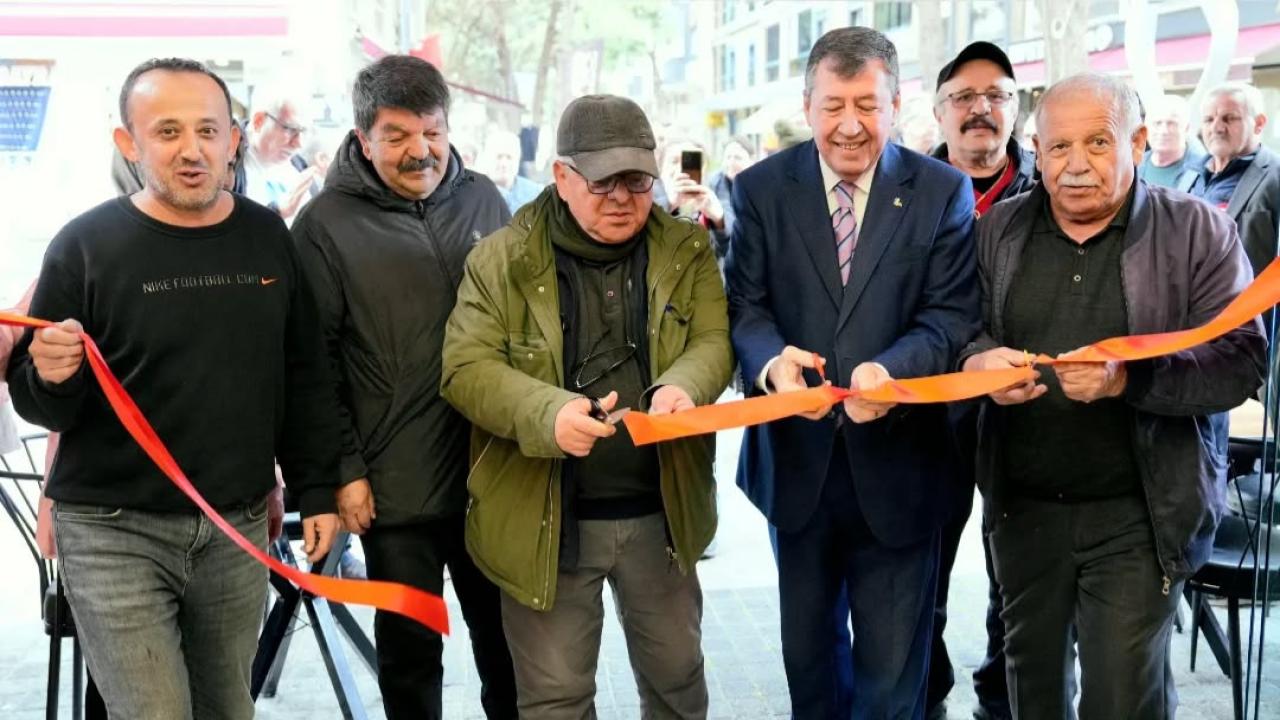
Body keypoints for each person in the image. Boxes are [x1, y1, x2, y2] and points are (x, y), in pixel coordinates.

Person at [4, 57, 342, 719]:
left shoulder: (266, 235)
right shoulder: (84, 247)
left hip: (235, 528)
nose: (192, 150)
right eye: (167, 132)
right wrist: (47, 371)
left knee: (227, 709)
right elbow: (39, 403)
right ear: (128, 143)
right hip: (111, 534)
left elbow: (302, 375)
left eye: (209, 131)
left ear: (233, 139)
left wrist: (318, 490)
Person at [960, 72, 1266, 720]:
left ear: (1139, 140)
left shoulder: (1195, 233)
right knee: (1031, 690)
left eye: (1097, 143)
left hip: (1141, 514)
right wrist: (979, 360)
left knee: (1122, 696)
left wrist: (1131, 379)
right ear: (1036, 152)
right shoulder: (999, 231)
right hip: (1023, 512)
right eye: (1058, 147)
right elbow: (961, 329)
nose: (1075, 166)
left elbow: (1242, 360)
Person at [441, 93, 733, 719]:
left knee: (679, 683)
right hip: (542, 518)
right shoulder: (500, 258)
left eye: (637, 179)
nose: (623, 198)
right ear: (562, 177)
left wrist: (684, 384)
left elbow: (713, 339)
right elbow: (465, 369)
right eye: (603, 182)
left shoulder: (686, 249)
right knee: (554, 700)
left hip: (662, 513)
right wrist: (548, 414)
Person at [725, 27, 979, 719]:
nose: (849, 124)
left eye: (867, 104)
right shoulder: (759, 191)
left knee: (893, 679)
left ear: (897, 105)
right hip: (797, 468)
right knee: (810, 671)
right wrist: (774, 365)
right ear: (808, 105)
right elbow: (745, 306)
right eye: (833, 104)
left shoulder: (941, 193)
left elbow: (950, 318)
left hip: (902, 467)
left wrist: (888, 372)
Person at [291, 55, 517, 720]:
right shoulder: (324, 225)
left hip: (491, 477)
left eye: (433, 132)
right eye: (397, 136)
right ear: (363, 139)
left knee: (509, 651)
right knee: (411, 659)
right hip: (392, 491)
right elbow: (313, 364)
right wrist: (345, 470)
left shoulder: (483, 199)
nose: (420, 151)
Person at [926, 40, 1037, 720]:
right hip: (930, 417)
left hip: (1023, 415)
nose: (980, 110)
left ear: (1016, 109)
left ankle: (1003, 698)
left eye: (996, 96)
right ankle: (927, 694)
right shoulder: (903, 192)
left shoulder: (1052, 188)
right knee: (921, 574)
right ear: (938, 113)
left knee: (1019, 579)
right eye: (963, 98)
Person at [1187, 82, 1280, 278]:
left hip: (1247, 305)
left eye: (1229, 118)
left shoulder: (1275, 176)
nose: (1217, 128)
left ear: (1259, 123)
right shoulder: (1189, 175)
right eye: (1208, 119)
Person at [243, 84, 319, 223]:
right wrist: (277, 212)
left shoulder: (299, 167)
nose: (298, 143)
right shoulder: (225, 164)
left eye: (303, 131)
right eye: (290, 129)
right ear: (258, 121)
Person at [1137, 93, 1205, 189]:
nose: (1164, 131)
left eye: (1172, 123)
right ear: (1146, 129)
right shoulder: (1133, 166)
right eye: (1157, 123)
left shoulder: (1203, 171)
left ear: (1186, 128)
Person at [705, 135, 754, 260]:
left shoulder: (761, 185)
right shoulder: (714, 184)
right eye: (728, 157)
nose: (731, 162)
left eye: (737, 157)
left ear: (751, 160)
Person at [481, 128, 544, 214]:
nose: (504, 164)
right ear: (486, 159)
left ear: (518, 160)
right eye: (499, 157)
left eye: (509, 157)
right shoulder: (472, 195)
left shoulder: (536, 195)